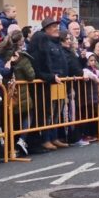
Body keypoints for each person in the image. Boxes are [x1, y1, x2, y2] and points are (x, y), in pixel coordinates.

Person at [31, 17, 68, 150]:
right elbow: (46, 64)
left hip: (60, 81)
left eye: (57, 26)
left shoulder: (57, 42)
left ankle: (54, 137)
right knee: (49, 112)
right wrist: (51, 76)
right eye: (53, 26)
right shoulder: (43, 42)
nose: (56, 28)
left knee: (57, 111)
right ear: (46, 29)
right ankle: (46, 138)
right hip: (50, 81)